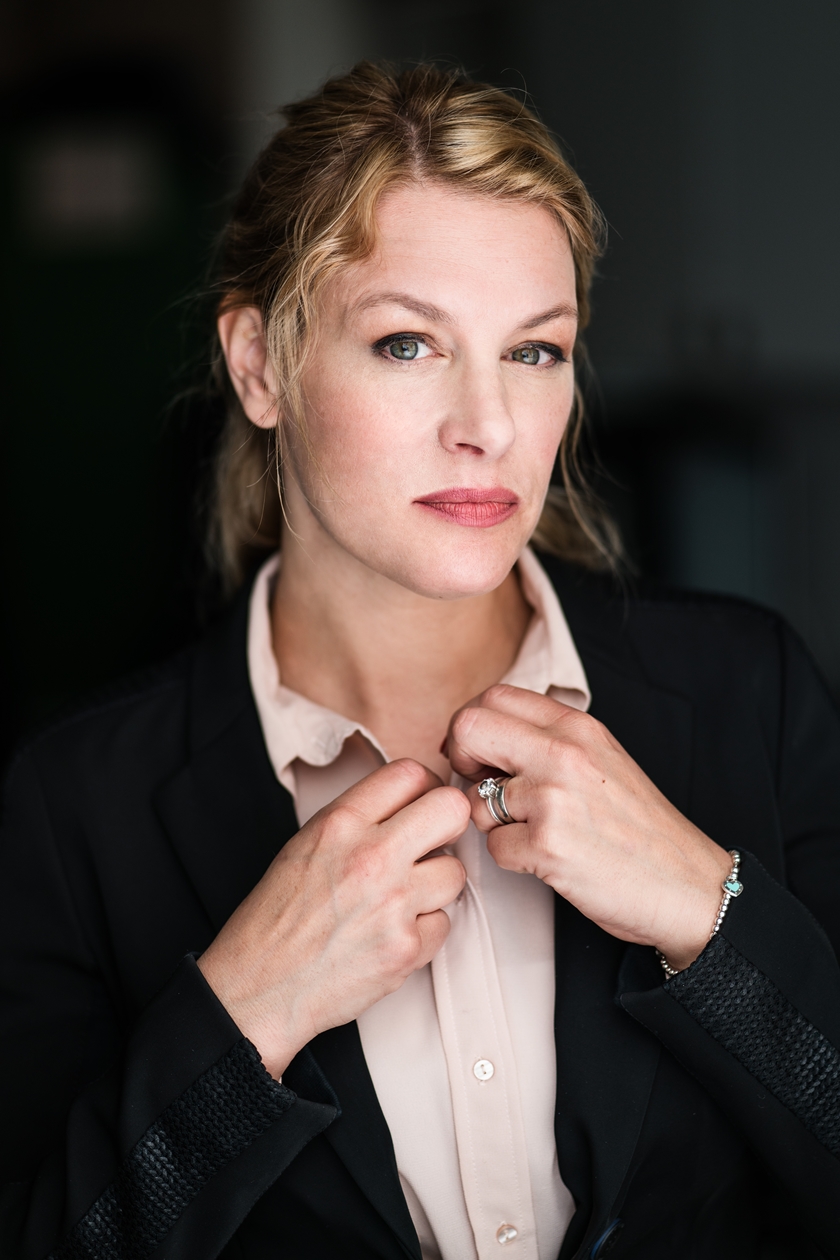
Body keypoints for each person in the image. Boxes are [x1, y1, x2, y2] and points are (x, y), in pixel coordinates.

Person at [1, 61, 839, 1260]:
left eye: (535, 352)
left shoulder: (749, 692)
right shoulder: (69, 808)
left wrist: (714, 916)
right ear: (259, 364)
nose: (487, 426)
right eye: (408, 344)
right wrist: (245, 1011)